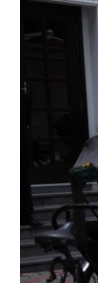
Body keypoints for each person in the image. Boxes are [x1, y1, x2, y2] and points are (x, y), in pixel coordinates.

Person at [21, 90, 41, 228]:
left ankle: (26, 215)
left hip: (21, 140)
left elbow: (26, 119)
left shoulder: (24, 98)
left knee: (23, 178)